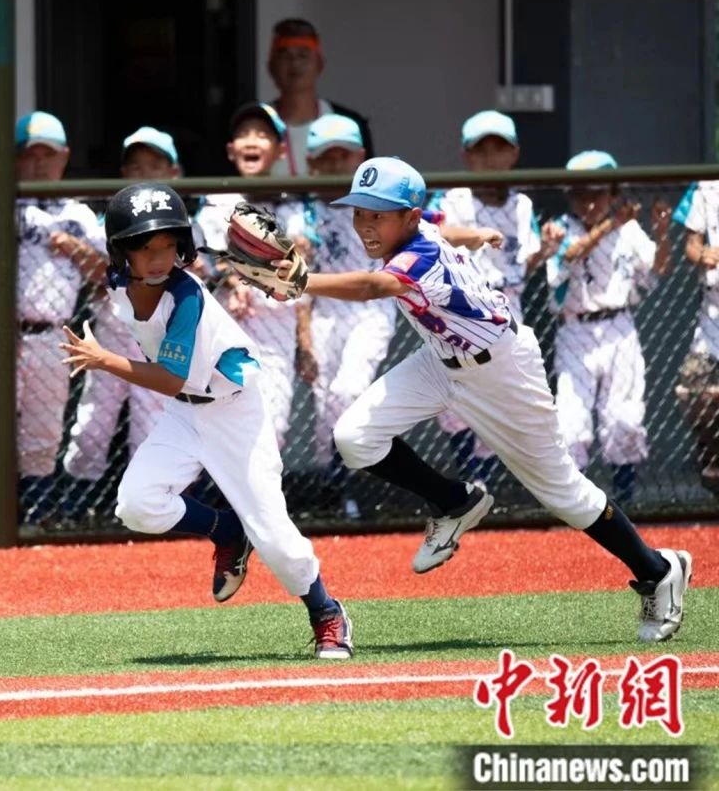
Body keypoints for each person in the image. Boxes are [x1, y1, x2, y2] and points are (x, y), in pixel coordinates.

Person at [294, 155, 690, 643]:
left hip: (502, 371)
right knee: (353, 438)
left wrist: (301, 280)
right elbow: (446, 227)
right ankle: (454, 501)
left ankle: (657, 570)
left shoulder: (418, 256)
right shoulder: (425, 229)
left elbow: (377, 285)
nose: (365, 225)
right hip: (441, 359)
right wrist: (477, 236)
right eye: (359, 212)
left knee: (564, 495)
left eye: (378, 214)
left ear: (408, 218)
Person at [59, 182, 353, 659]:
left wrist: (103, 359)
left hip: (235, 410)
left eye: (167, 245)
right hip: (186, 412)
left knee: (276, 541)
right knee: (137, 505)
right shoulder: (117, 282)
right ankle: (226, 530)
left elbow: (172, 378)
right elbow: (177, 386)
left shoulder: (186, 294)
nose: (157, 257)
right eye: (144, 247)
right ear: (120, 252)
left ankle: (326, 611)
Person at [429, 111, 564, 485]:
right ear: (466, 155)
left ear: (514, 153)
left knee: (505, 397)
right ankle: (468, 479)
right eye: (481, 149)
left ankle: (486, 488)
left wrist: (546, 251)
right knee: (455, 403)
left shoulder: (522, 204)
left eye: (498, 148)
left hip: (508, 304)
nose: (490, 157)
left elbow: (523, 262)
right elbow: (429, 238)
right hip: (459, 307)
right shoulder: (451, 198)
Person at [0, 111, 106, 524]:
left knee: (44, 432)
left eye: (47, 154)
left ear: (64, 157)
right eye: (29, 154)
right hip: (1, 335)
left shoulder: (80, 213)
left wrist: (73, 247)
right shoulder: (2, 201)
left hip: (52, 333)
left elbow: (108, 274)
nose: (38, 163)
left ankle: (34, 514)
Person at [60, 128, 177, 520]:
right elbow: (97, 273)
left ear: (172, 172)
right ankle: (78, 504)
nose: (143, 173)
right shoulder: (106, 219)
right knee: (93, 425)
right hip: (113, 331)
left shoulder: (181, 224)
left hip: (159, 340)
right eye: (135, 166)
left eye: (154, 166)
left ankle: (147, 510)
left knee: (150, 427)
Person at [545, 151, 671, 506]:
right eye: (579, 193)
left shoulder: (628, 230)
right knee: (571, 426)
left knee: (625, 421)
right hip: (575, 332)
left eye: (597, 193)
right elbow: (572, 255)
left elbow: (659, 267)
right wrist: (610, 224)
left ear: (614, 193)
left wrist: (661, 233)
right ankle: (577, 507)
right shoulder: (560, 230)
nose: (587, 201)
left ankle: (624, 500)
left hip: (620, 327)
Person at [196, 103, 314, 454]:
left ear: (280, 150)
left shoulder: (293, 206)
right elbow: (205, 258)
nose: (252, 141)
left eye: (263, 135)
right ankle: (224, 505)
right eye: (244, 134)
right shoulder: (217, 201)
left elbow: (300, 278)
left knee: (273, 426)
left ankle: (256, 506)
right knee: (220, 423)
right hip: (224, 326)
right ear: (231, 149)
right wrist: (231, 279)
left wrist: (304, 344)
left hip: (276, 328)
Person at [301, 115, 396, 518]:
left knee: (348, 390)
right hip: (325, 312)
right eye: (326, 157)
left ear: (360, 157)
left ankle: (347, 485)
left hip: (370, 308)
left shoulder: (382, 206)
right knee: (325, 407)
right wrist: (303, 340)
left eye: (344, 155)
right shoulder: (302, 212)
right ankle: (336, 489)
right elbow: (299, 282)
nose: (335, 164)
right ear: (312, 162)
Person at [266, 18, 374, 177]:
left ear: (320, 64)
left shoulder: (352, 125)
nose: (295, 63)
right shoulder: (253, 128)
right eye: (285, 56)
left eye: (303, 55)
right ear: (271, 67)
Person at [670, 180, 719, 490]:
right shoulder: (705, 187)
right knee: (693, 386)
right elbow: (691, 245)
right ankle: (711, 451)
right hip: (714, 309)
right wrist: (702, 254)